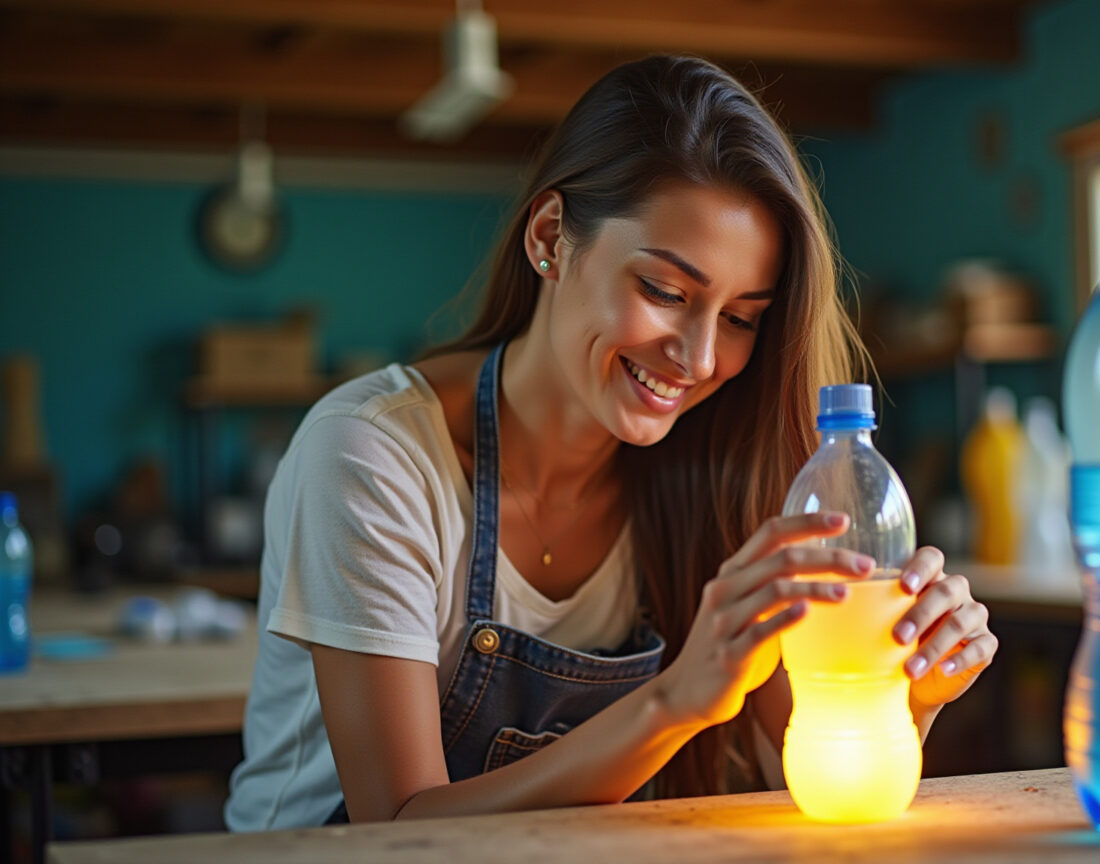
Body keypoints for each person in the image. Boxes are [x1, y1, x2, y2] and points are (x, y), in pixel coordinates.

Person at [225, 55, 997, 831]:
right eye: (665, 291)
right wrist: (672, 701)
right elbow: (398, 822)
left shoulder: (713, 472)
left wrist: (901, 692)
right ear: (552, 239)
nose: (698, 360)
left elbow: (794, 772)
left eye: (739, 319)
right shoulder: (372, 455)